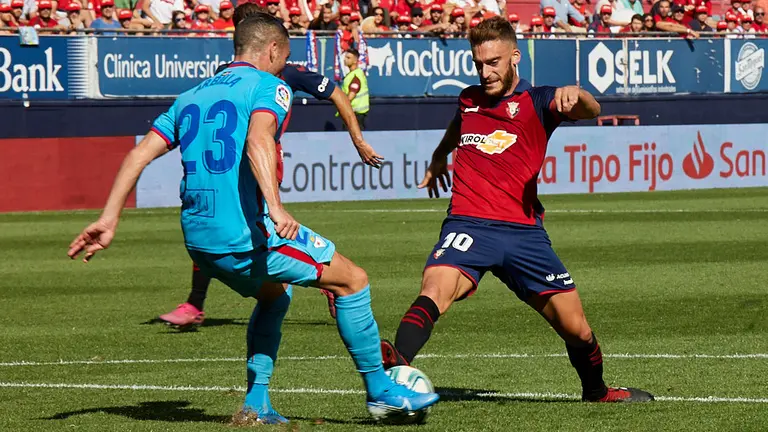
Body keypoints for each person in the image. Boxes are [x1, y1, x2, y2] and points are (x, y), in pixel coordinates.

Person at [67, 12, 439, 424]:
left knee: (275, 295)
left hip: (198, 240)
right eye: (283, 58)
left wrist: (109, 219)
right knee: (352, 281)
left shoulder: (191, 95)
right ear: (273, 50)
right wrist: (276, 207)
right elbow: (257, 139)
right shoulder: (270, 86)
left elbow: (138, 154)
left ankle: (257, 403)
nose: (283, 67)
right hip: (245, 234)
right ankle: (381, 391)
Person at [379, 16, 654, 404]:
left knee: (577, 329)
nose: (485, 71)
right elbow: (459, 125)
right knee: (435, 289)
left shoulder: (539, 101)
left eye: (493, 62)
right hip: (469, 223)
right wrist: (440, 156)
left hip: (524, 234)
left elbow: (590, 109)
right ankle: (394, 368)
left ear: (514, 57)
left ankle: (596, 391)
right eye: (478, 63)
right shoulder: (468, 98)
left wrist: (578, 94)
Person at [159, 2, 383, 329]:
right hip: (234, 167)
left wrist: (358, 139)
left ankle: (331, 279)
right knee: (221, 229)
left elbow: (335, 91)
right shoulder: (228, 74)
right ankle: (198, 302)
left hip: (262, 163)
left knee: (256, 233)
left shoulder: (284, 71)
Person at [339, 48, 370, 130]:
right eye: (345, 57)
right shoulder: (351, 75)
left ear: (355, 61)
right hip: (352, 114)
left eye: (348, 58)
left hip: (355, 115)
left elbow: (351, 96)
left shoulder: (356, 76)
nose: (345, 60)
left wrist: (341, 105)